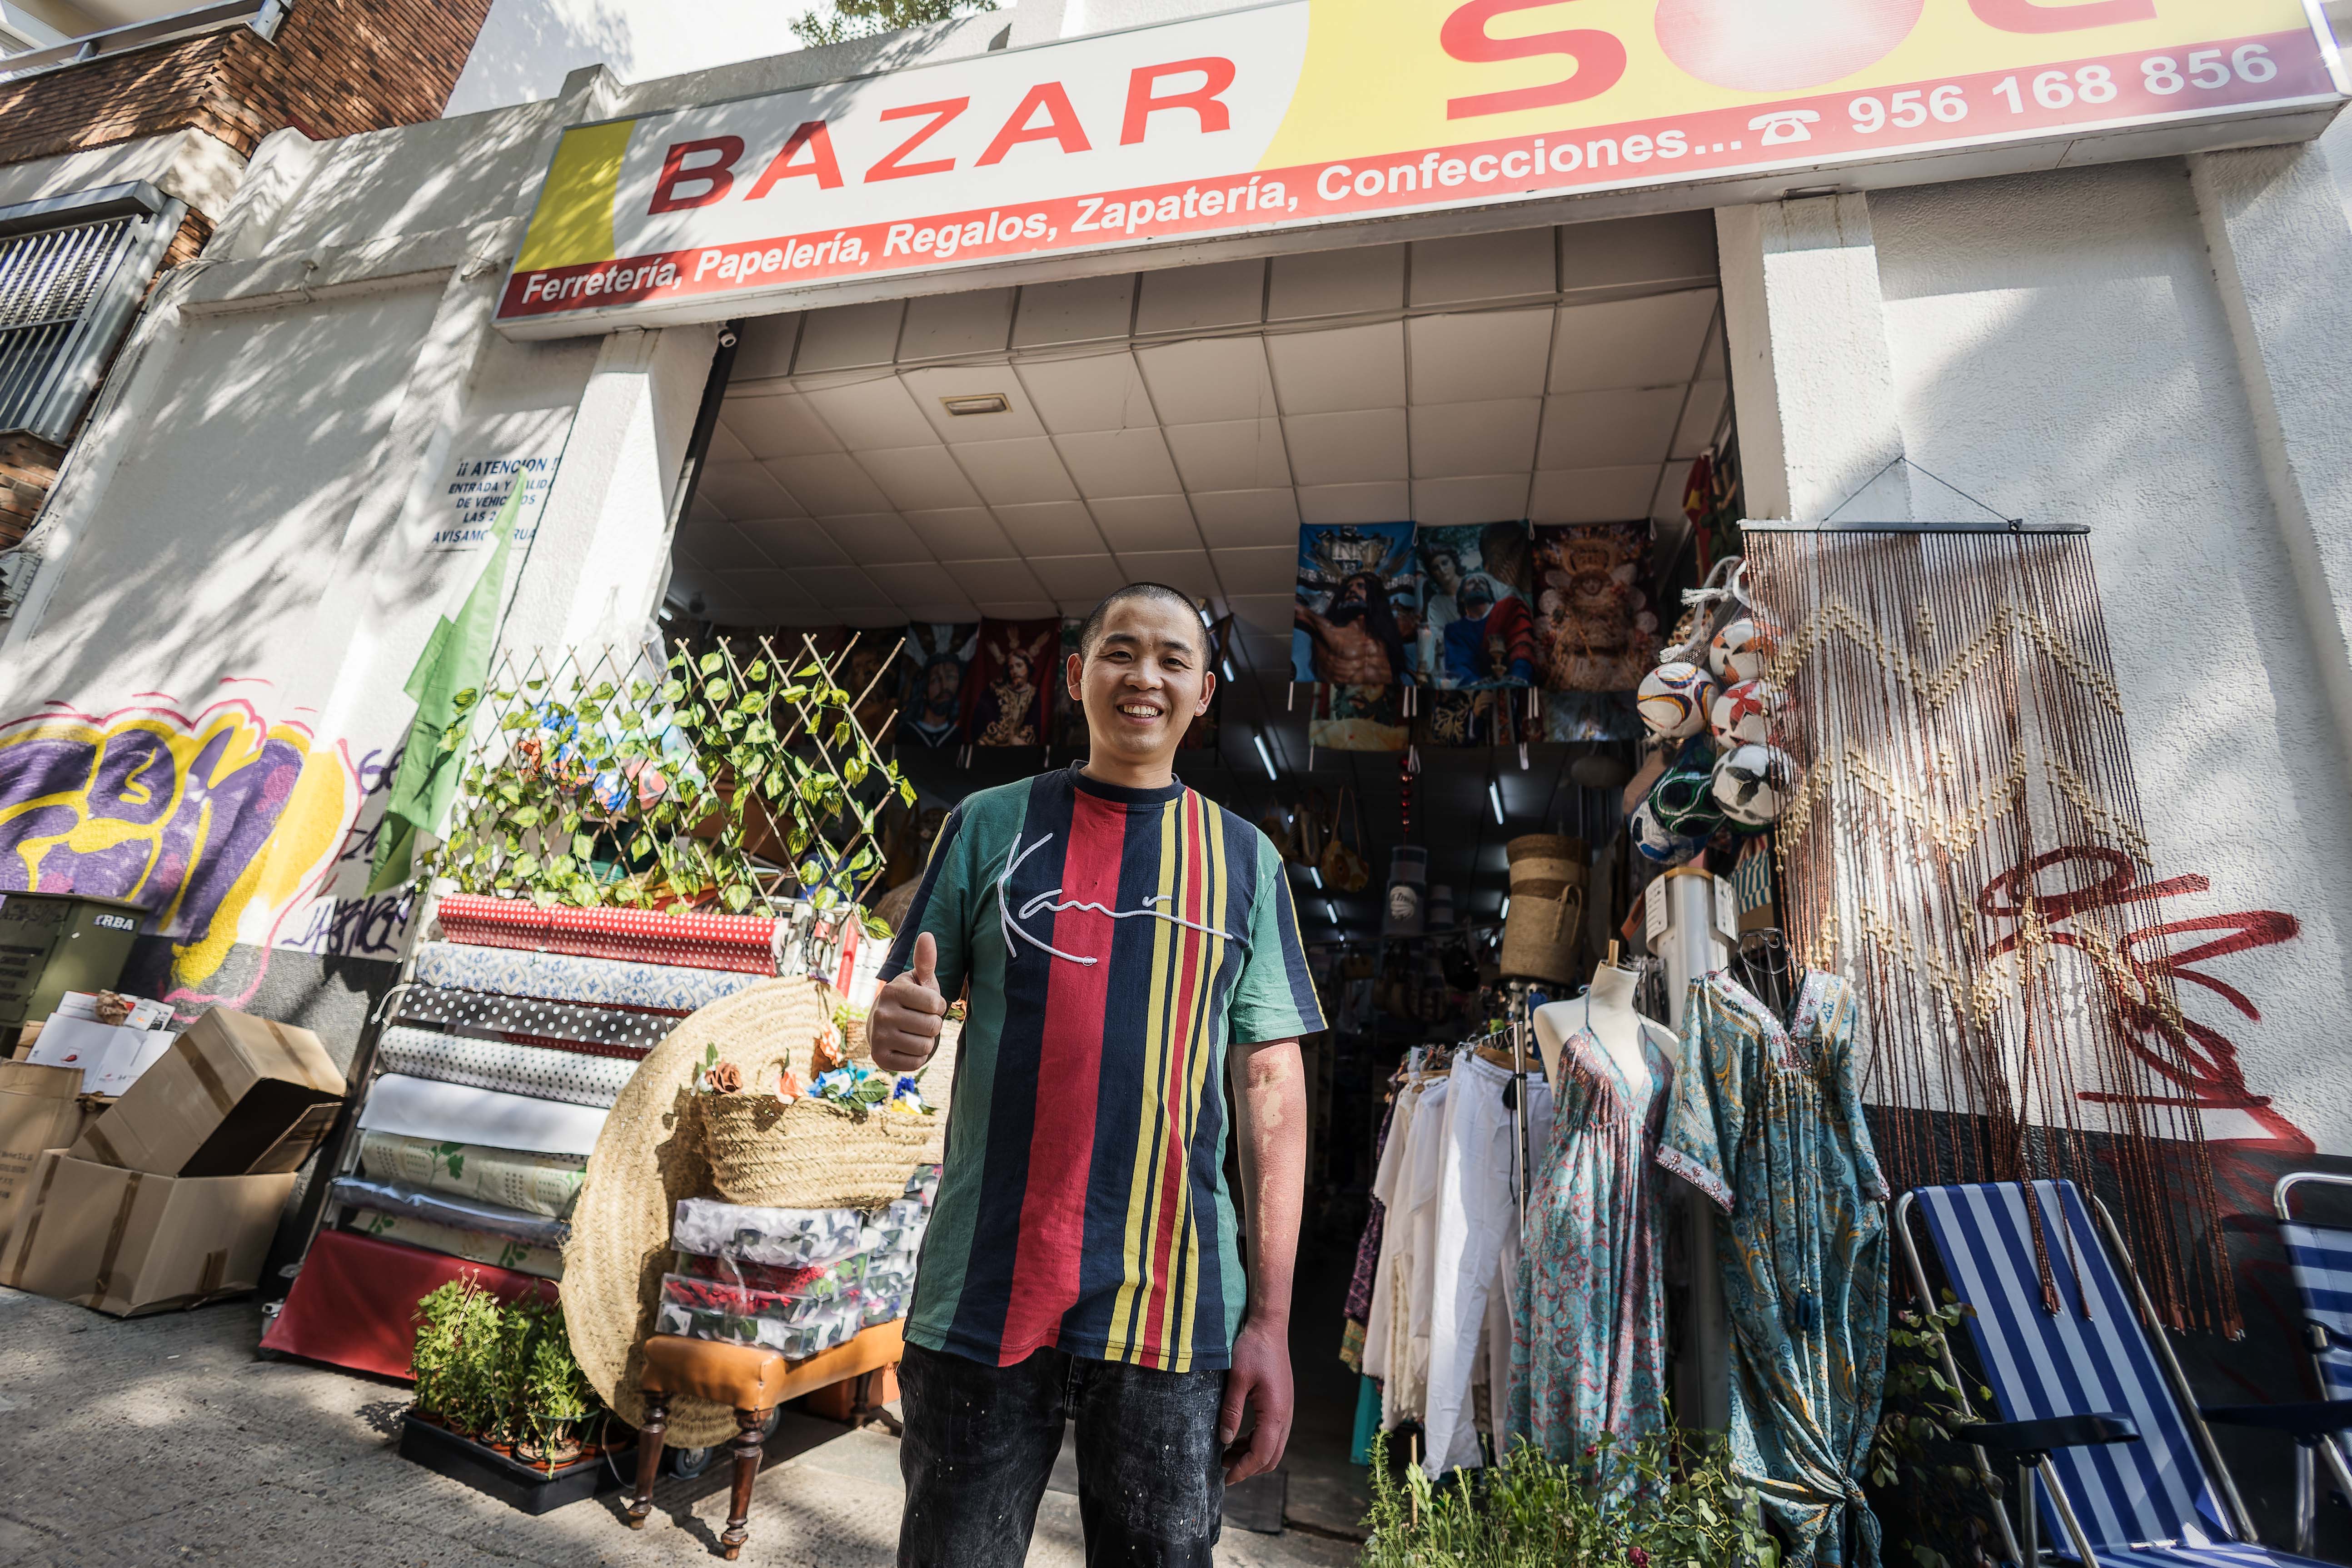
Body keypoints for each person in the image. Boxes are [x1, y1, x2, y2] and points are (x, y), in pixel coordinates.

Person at [869, 582, 1326, 1568]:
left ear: (1203, 694)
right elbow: (904, 1014)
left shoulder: (1246, 863)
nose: (1144, 675)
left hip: (1176, 1302)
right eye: (1121, 651)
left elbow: (1272, 1098)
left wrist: (1272, 1324)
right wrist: (896, 1032)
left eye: (1172, 658)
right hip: (983, 1284)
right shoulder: (987, 826)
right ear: (1076, 677)